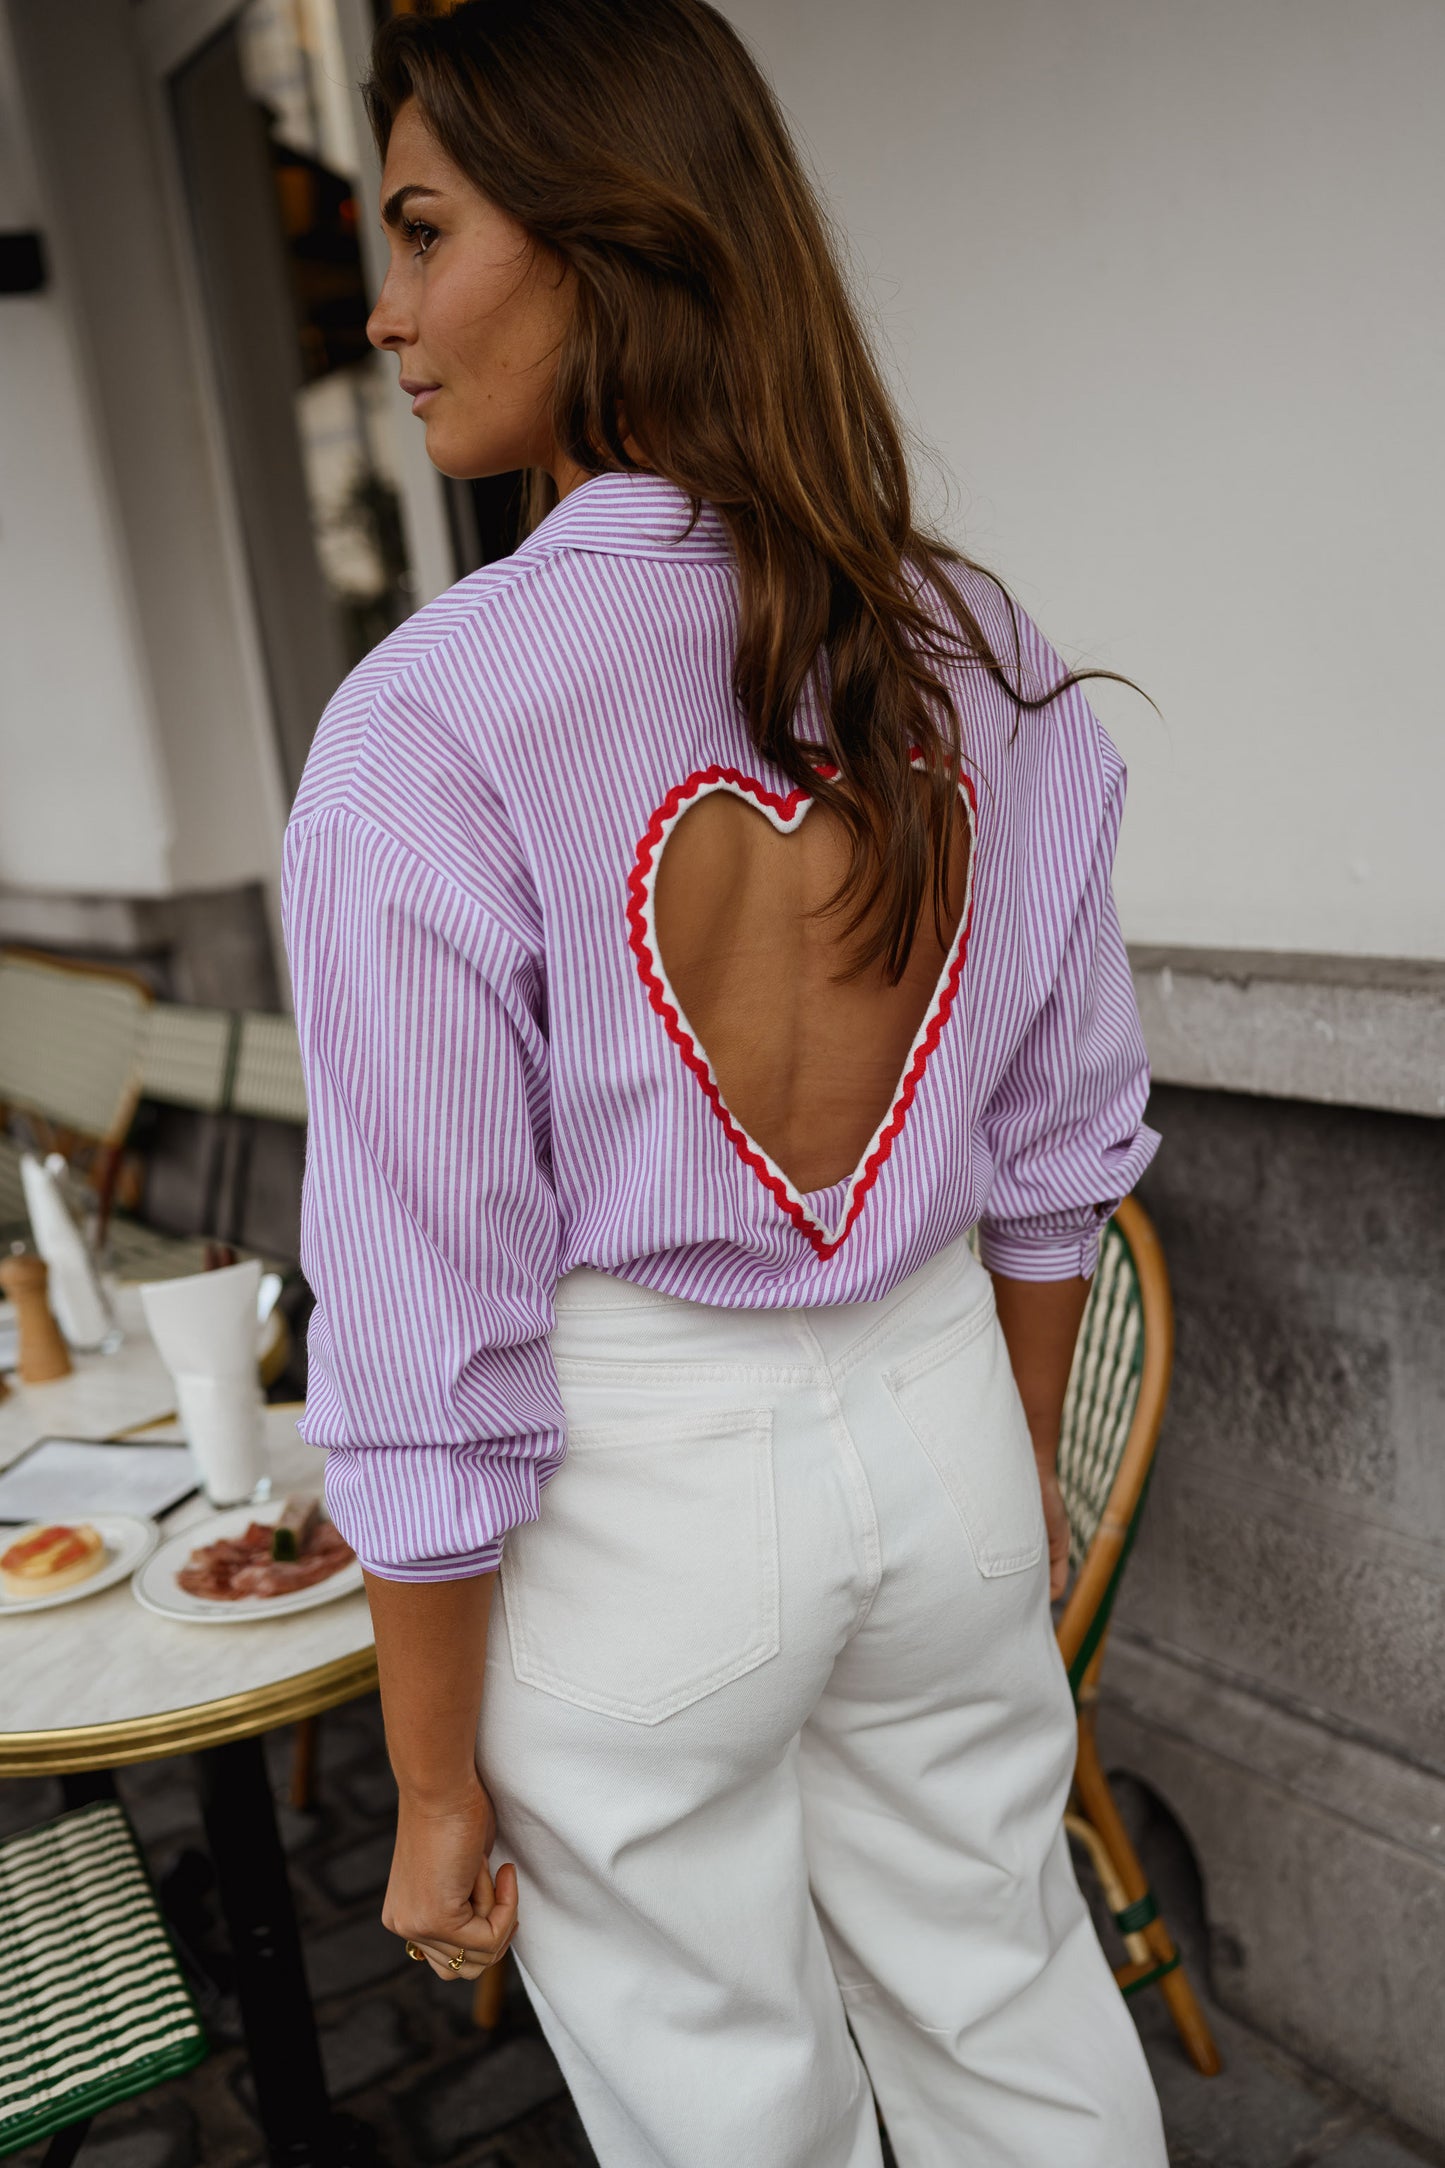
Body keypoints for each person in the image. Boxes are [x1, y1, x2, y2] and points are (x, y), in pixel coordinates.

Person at [283, 2, 1169, 2160]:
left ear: (608, 239)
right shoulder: (980, 655)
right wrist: (1014, 1524)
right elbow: (1056, 1170)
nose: (388, 317)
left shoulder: (430, 727)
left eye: (423, 233)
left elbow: (427, 1327)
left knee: (717, 2099)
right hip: (950, 1410)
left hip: (639, 1500)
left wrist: (425, 1799)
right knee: (1009, 1993)